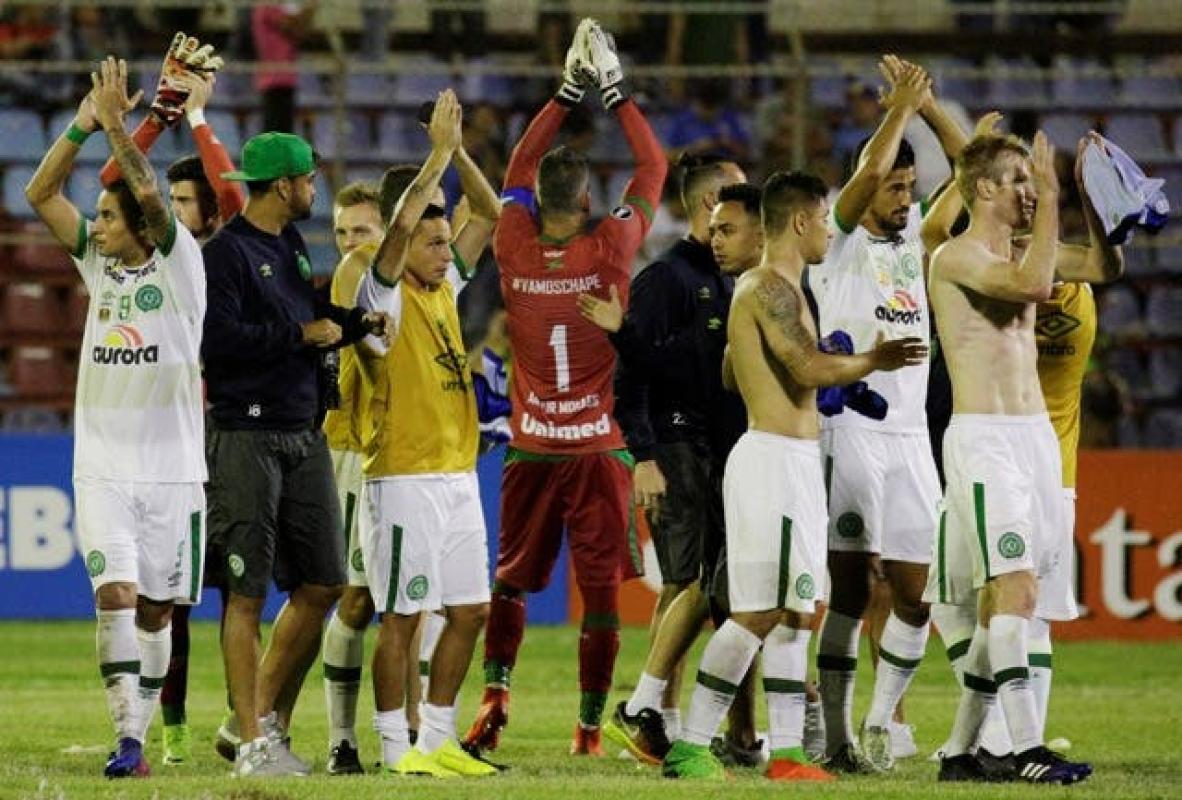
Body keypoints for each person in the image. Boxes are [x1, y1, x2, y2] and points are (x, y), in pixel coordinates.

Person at [660, 171, 925, 782]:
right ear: (801, 221)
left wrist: (804, 371)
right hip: (774, 462)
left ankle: (786, 754)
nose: (830, 231)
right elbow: (806, 366)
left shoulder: (775, 289)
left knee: (797, 611)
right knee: (759, 612)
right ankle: (691, 745)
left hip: (789, 459)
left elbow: (732, 374)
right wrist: (872, 359)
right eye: (825, 219)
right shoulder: (768, 286)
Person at [463, 18, 667, 757]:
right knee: (602, 593)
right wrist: (613, 93)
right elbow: (653, 167)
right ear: (586, 204)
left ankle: (495, 694)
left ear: (534, 203)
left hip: (531, 447)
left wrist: (562, 94)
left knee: (511, 581)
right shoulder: (610, 247)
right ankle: (586, 730)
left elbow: (517, 168)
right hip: (598, 448)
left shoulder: (512, 243)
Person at [23, 56, 208, 778]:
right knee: (117, 597)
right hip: (102, 468)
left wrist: (120, 131)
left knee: (158, 612)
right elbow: (40, 193)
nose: (95, 225)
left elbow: (152, 197)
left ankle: (145, 729)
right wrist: (82, 125)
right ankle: (128, 740)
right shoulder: (98, 267)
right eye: (96, 216)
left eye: (106, 216)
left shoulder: (179, 267)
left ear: (137, 226)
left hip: (173, 474)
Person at [922, 128, 1122, 777]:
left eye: (1032, 182)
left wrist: (1096, 203)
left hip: (1036, 440)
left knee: (1006, 604)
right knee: (1016, 590)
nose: (1030, 191)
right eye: (1018, 181)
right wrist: (1056, 195)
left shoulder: (1020, 251)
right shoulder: (955, 258)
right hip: (985, 441)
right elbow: (1035, 285)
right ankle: (1027, 750)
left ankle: (960, 753)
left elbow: (1104, 269)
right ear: (983, 189)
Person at [201, 129, 390, 777]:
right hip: (246, 434)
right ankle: (253, 744)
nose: (315, 187)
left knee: (324, 581)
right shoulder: (225, 254)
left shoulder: (286, 244)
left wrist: (356, 321)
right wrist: (300, 335)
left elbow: (308, 309)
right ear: (283, 186)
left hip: (302, 431)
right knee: (245, 593)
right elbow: (217, 342)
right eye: (309, 178)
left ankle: (260, 723)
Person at [320, 110, 502, 775]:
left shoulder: (445, 284)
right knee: (400, 616)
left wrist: (459, 152)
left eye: (447, 242)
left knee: (470, 611)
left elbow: (490, 211)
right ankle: (397, 748)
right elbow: (396, 232)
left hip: (456, 473)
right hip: (402, 475)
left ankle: (437, 740)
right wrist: (435, 160)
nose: (447, 252)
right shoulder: (383, 293)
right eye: (434, 242)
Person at [809, 55, 970, 772]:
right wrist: (899, 108)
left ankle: (880, 722)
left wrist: (929, 108)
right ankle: (837, 734)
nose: (905, 197)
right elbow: (870, 168)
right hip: (852, 429)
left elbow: (974, 178)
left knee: (916, 592)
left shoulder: (918, 241)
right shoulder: (836, 243)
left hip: (910, 438)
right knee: (849, 588)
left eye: (910, 187)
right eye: (894, 187)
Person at [95, 47, 243, 767]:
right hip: (171, 430)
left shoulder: (213, 250)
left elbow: (232, 201)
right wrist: (158, 116)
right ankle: (168, 724)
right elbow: (117, 184)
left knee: (222, 589)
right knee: (163, 599)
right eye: (171, 201)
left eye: (188, 203)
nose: (173, 210)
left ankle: (244, 719)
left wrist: (200, 117)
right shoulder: (149, 253)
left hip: (220, 426)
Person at [585, 178, 765, 768]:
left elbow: (692, 368)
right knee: (692, 584)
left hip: (724, 452)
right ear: (711, 204)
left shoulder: (735, 282)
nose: (725, 227)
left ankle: (735, 733)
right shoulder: (669, 278)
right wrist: (643, 456)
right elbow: (637, 375)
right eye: (724, 215)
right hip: (681, 448)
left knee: (726, 591)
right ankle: (654, 718)